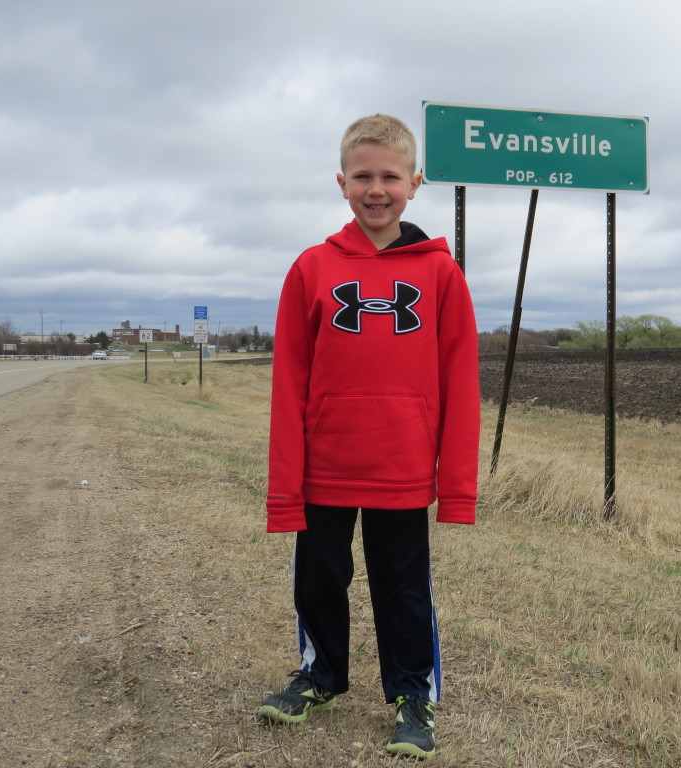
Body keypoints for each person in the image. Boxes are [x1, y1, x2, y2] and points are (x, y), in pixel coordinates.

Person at [257, 114, 480, 759]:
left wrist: (457, 489)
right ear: (341, 182)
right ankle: (320, 675)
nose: (376, 189)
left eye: (390, 176)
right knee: (319, 580)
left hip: (402, 468)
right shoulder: (312, 268)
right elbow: (289, 383)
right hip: (326, 463)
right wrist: (284, 486)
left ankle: (414, 695)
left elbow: (461, 384)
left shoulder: (441, 274)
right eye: (363, 176)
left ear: (415, 182)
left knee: (403, 588)